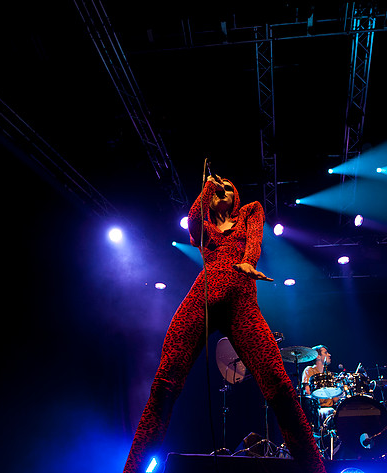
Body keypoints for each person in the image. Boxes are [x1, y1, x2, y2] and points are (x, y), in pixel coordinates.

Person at [123, 173, 326, 473]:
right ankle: (132, 469)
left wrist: (250, 262)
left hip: (241, 304)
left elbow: (255, 237)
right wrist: (207, 187)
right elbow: (192, 219)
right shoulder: (203, 227)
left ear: (236, 198)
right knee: (164, 385)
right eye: (217, 190)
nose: (222, 192)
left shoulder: (249, 212)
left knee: (280, 386)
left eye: (227, 189)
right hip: (201, 300)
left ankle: (316, 469)